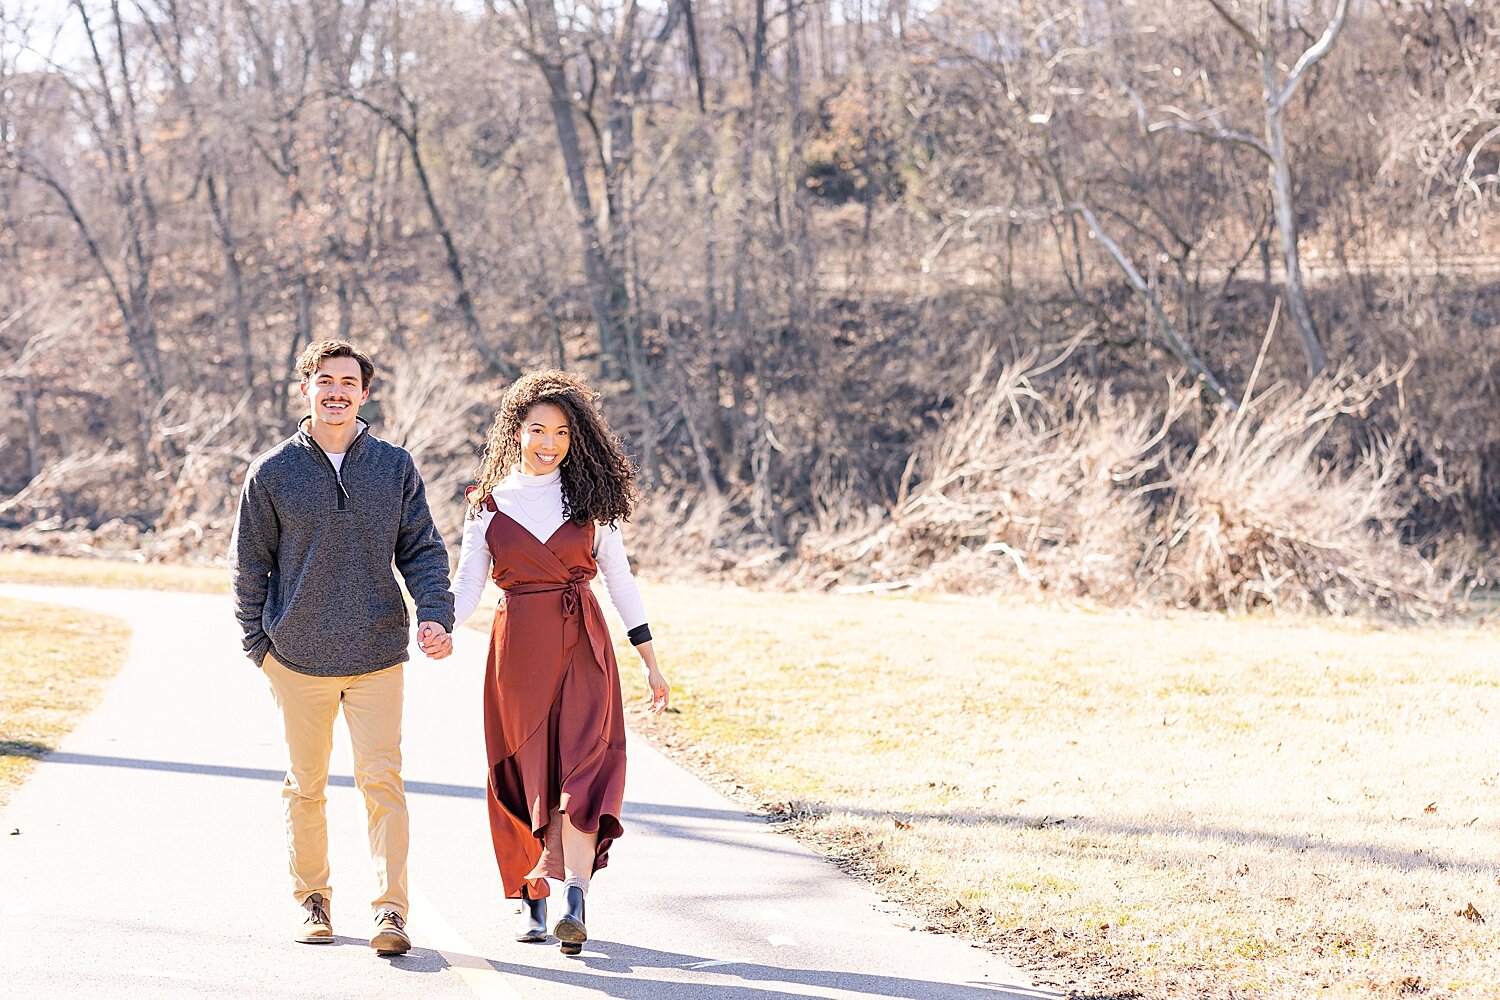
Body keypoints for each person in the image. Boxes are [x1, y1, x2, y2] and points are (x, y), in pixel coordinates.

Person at [229, 340, 456, 957]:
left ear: (364, 392)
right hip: (297, 657)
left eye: (348, 382)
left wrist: (436, 615)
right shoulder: (272, 472)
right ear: (305, 388)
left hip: (378, 653)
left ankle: (390, 913)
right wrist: (259, 644)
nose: (336, 391)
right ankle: (314, 898)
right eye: (324, 380)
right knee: (305, 785)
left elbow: (422, 550)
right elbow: (249, 565)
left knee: (383, 783)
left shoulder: (394, 466)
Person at [450, 369, 669, 956]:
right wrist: (435, 622)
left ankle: (574, 896)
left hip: (585, 649)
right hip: (518, 649)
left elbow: (621, 583)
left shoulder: (593, 503)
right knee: (528, 772)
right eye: (538, 429)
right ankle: (534, 898)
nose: (550, 443)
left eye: (563, 433)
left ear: (577, 440)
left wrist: (650, 660)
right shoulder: (487, 504)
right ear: (515, 431)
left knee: (582, 770)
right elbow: (467, 584)